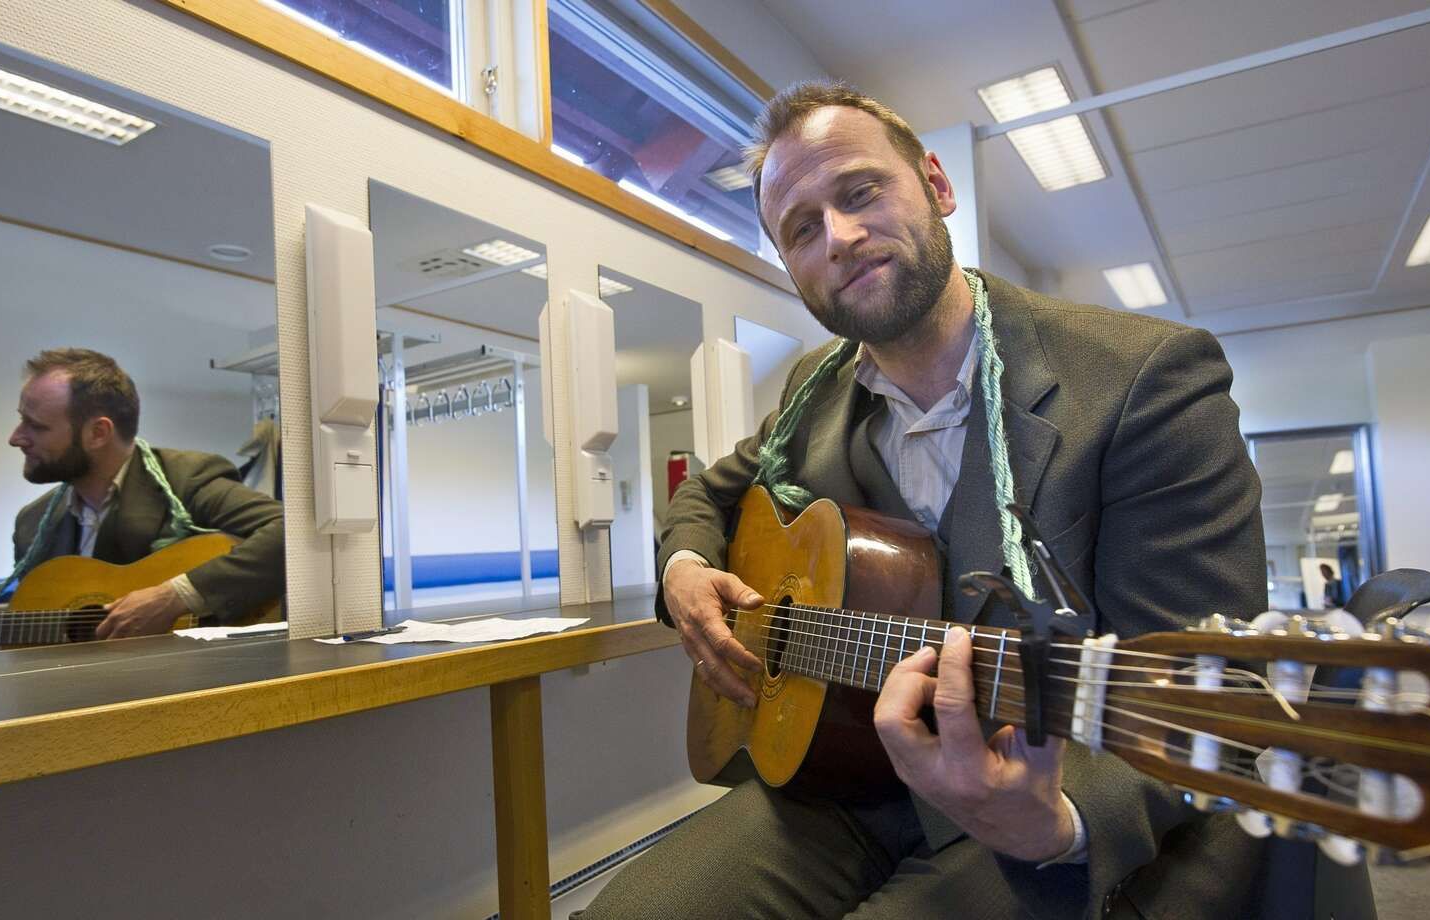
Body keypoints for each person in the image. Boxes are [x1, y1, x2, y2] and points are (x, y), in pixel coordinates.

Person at [581, 83, 1359, 918]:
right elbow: (708, 492)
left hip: (1051, 801)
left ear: (938, 186)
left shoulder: (1146, 378)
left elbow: (1212, 691)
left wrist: (1056, 820)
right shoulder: (814, 388)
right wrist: (685, 567)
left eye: (860, 192)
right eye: (802, 229)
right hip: (848, 779)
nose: (839, 237)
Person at [0, 348, 284, 639]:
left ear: (98, 433)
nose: (16, 438)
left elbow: (288, 530)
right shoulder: (32, 525)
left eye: (35, 426)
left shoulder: (186, 479)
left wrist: (176, 597)